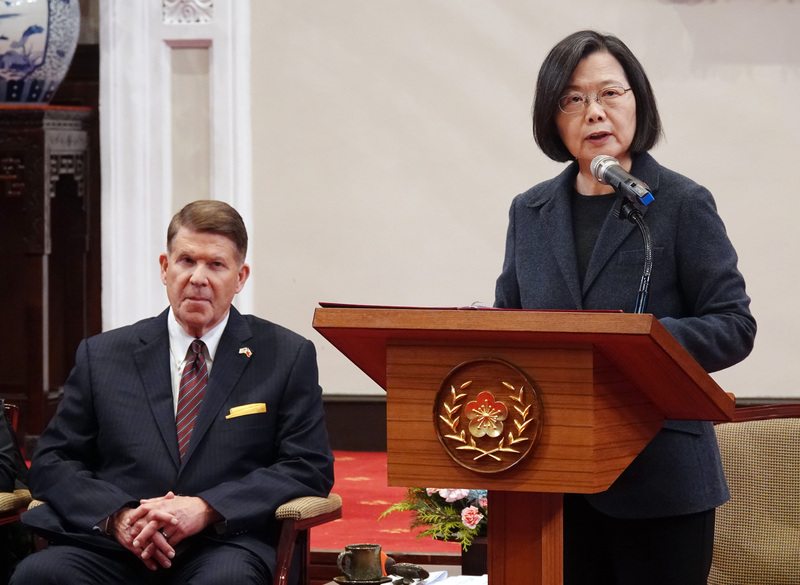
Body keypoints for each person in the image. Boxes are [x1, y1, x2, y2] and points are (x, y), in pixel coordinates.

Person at [494, 31, 756, 585]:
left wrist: (641, 347)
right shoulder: (530, 211)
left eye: (611, 93)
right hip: (552, 482)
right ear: (553, 118)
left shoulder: (681, 203)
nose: (595, 113)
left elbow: (733, 325)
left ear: (638, 102)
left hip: (661, 481)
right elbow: (507, 330)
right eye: (573, 99)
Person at [11, 200, 335, 584]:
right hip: (116, 546)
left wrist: (206, 508)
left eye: (216, 264)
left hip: (222, 544)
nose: (199, 277)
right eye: (186, 261)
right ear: (165, 268)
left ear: (241, 276)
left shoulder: (285, 355)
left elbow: (308, 466)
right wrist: (119, 516)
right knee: (41, 574)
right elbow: (52, 461)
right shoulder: (103, 355)